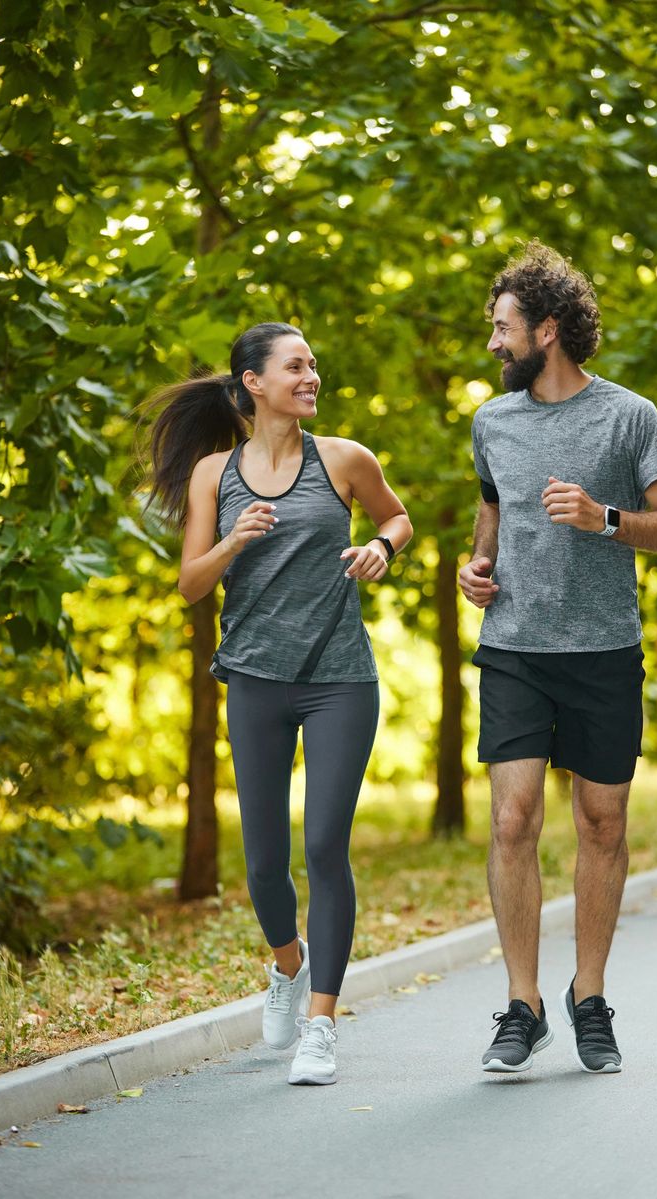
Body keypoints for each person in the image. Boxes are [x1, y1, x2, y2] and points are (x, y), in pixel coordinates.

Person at [142, 321, 412, 1085]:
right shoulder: (212, 475)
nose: (311, 376)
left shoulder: (345, 460)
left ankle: (320, 1024)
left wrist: (381, 548)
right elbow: (192, 581)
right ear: (253, 383)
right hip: (256, 678)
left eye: (314, 365)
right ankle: (287, 966)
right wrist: (234, 541)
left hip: (339, 678)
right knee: (264, 861)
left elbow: (398, 516)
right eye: (296, 367)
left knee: (325, 843)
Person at [460, 242, 657, 1076]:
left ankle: (587, 995)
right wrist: (477, 568)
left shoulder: (630, 416)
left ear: (548, 329)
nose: (493, 343)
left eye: (503, 328)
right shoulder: (491, 421)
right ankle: (522, 1004)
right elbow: (492, 511)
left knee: (602, 824)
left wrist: (605, 519)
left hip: (603, 650)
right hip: (516, 648)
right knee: (512, 817)